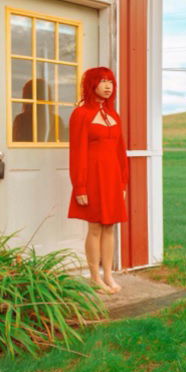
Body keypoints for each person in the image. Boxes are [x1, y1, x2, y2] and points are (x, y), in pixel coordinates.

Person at [68, 66, 128, 294]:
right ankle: (94, 277)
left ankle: (108, 275)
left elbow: (121, 152)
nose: (107, 86)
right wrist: (79, 185)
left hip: (112, 178)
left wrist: (123, 182)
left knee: (110, 227)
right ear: (91, 84)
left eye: (110, 82)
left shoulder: (113, 115)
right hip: (91, 178)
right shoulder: (81, 114)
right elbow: (77, 152)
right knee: (94, 227)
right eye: (102, 81)